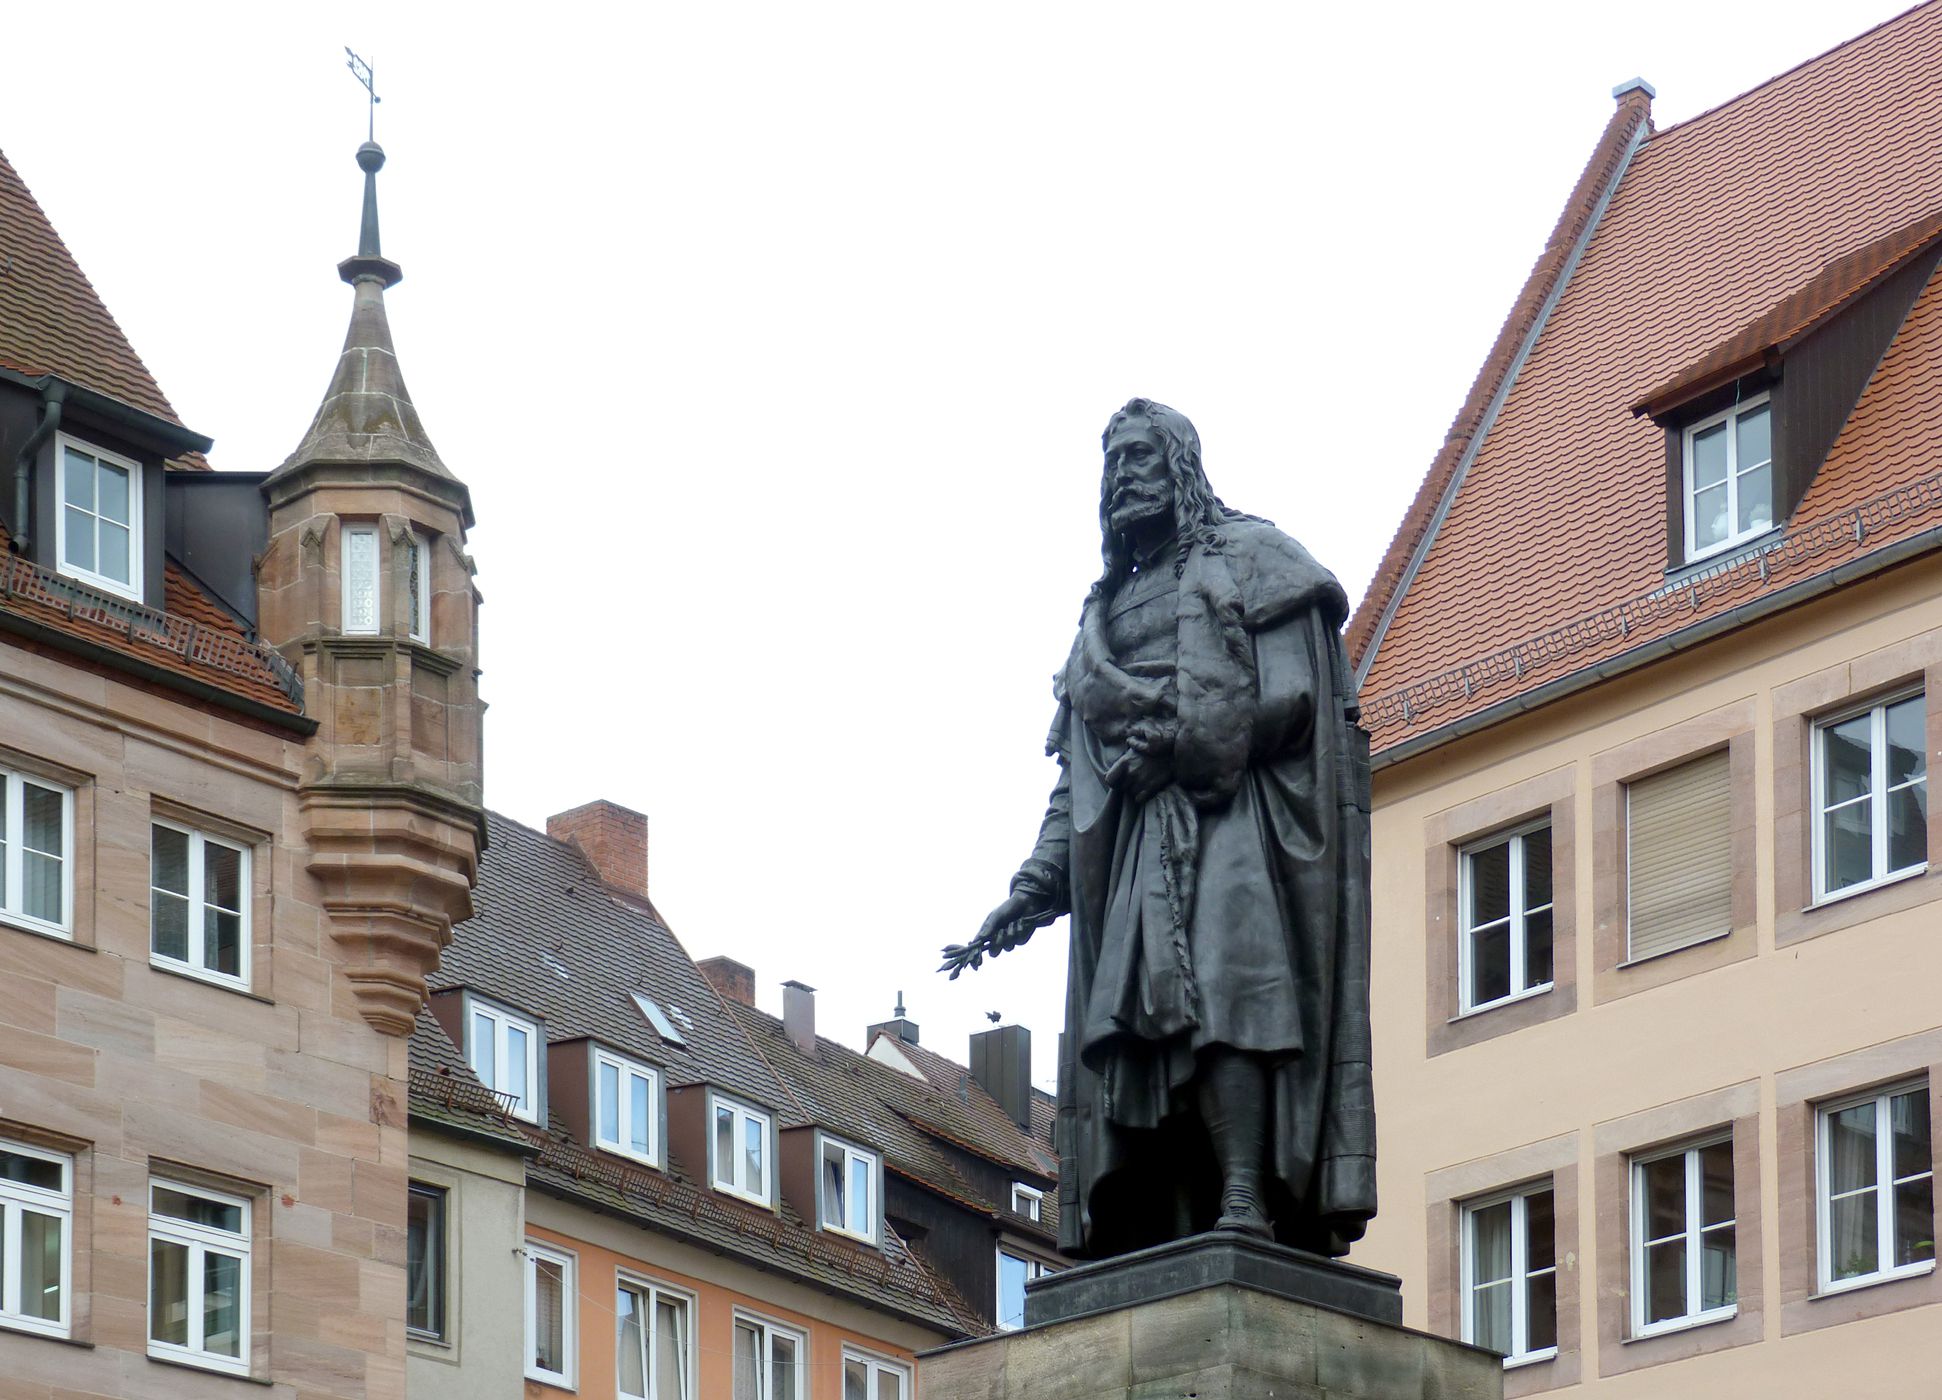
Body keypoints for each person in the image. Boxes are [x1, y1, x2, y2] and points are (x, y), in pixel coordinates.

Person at [945, 398, 1375, 1260]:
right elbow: (1078, 778)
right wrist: (1031, 887)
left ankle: (1248, 1196)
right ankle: (1175, 1213)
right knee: (1146, 1034)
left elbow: (1294, 699)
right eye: (1110, 464)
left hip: (1233, 823)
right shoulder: (1099, 620)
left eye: (1140, 457)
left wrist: (1181, 744)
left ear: (1181, 464)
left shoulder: (1254, 561)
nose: (1121, 478)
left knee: (1235, 995)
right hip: (1137, 849)